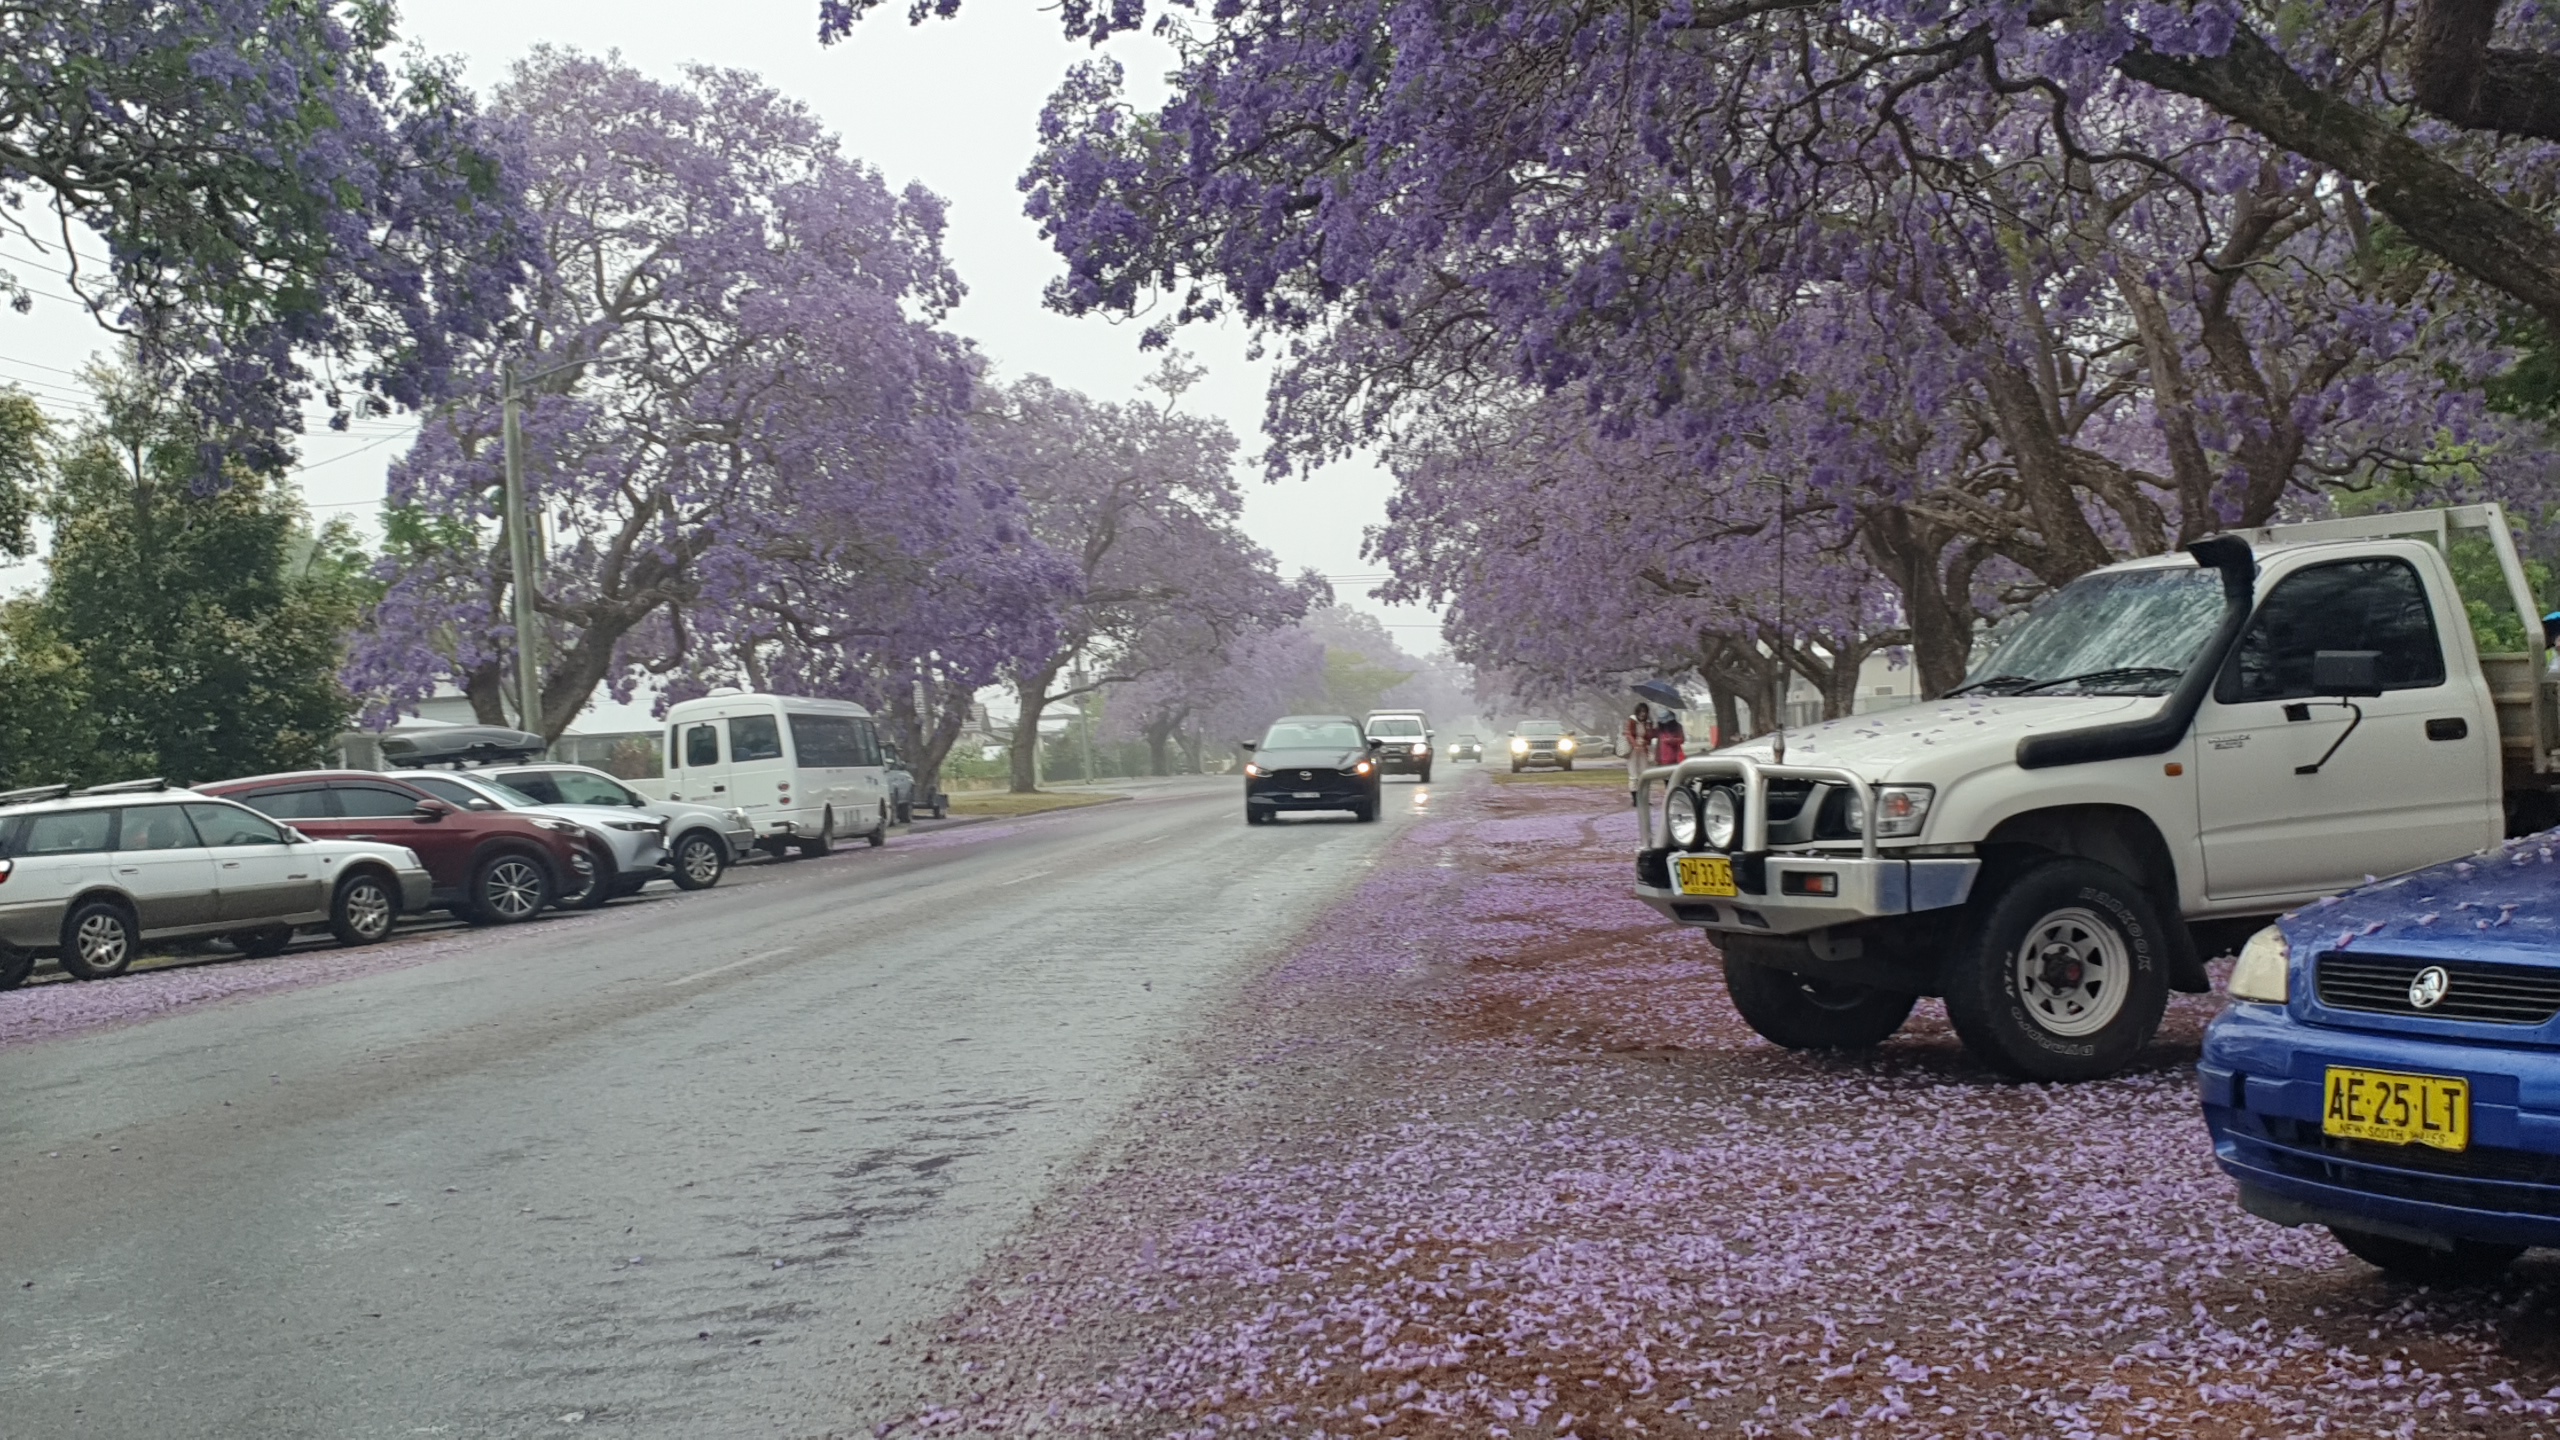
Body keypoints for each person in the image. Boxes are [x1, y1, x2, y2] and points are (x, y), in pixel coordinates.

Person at [1624, 703, 1654, 806]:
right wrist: (1635, 744)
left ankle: (1644, 798)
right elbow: (1628, 734)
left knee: (1644, 774)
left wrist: (1649, 730)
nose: (1643, 714)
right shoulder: (1632, 720)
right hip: (1633, 750)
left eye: (1644, 712)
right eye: (1641, 711)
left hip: (1643, 750)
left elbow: (1649, 739)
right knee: (1633, 775)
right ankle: (1635, 799)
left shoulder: (1647, 723)